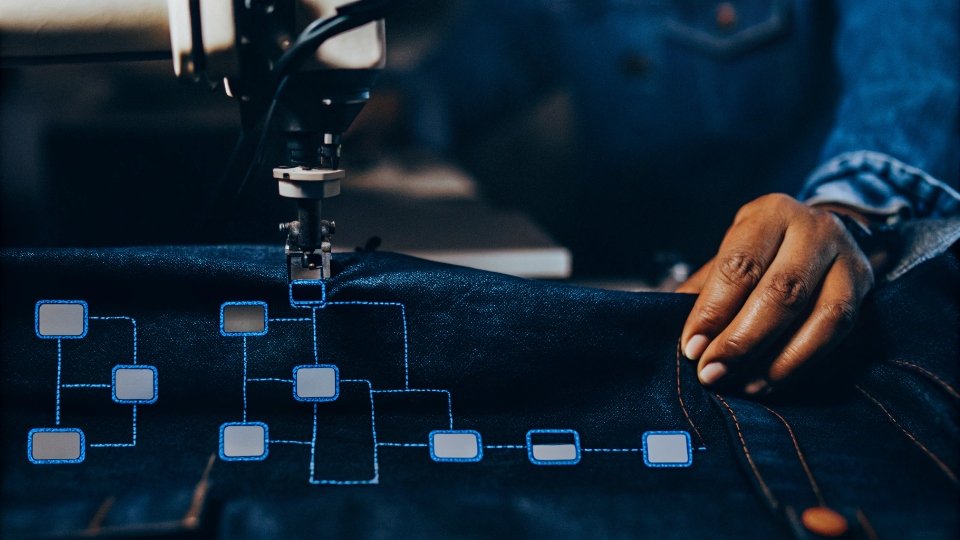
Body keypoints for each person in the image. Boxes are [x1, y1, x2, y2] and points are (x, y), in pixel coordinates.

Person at [371, 0, 960, 395]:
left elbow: (912, 76)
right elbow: (460, 79)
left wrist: (849, 211)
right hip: (616, 284)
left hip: (801, 310)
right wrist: (350, 106)